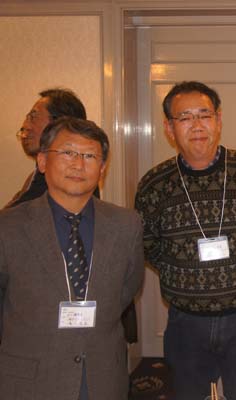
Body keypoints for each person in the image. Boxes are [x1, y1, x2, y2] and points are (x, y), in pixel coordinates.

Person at [135, 81, 236, 400]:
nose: (197, 125)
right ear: (169, 128)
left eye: (204, 115)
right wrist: (179, 273)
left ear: (219, 120)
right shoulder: (154, 184)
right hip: (185, 322)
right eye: (185, 117)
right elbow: (147, 243)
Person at [0, 117, 145, 399]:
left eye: (90, 156)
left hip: (103, 375)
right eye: (67, 152)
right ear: (42, 161)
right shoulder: (8, 227)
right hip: (31, 378)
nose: (78, 164)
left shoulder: (126, 224)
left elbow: (126, 290)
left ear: (102, 168)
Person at [7, 88, 87, 208]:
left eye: (33, 117)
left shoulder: (72, 175)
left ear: (59, 124)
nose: (25, 126)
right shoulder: (40, 172)